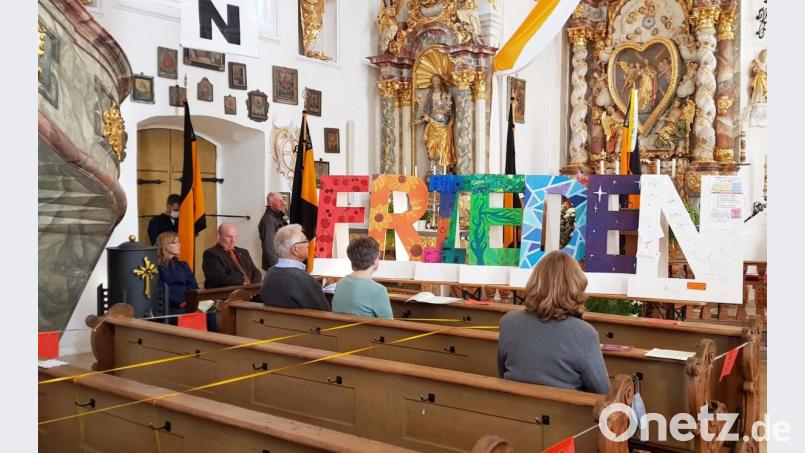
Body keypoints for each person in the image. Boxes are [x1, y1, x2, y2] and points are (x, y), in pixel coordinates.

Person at [497, 251, 610, 395]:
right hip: (565, 415)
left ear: (535, 282)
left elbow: (502, 373)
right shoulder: (584, 334)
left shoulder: (509, 322)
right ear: (575, 286)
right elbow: (602, 391)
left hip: (511, 412)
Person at [155, 232, 216, 331]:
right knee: (187, 314)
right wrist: (180, 303)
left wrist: (192, 301)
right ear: (165, 246)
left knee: (211, 312)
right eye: (175, 243)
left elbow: (193, 286)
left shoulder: (183, 265)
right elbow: (159, 290)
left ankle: (212, 342)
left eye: (179, 242)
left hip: (189, 302)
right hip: (170, 306)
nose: (179, 245)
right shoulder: (156, 267)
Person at [260, 224, 329, 311]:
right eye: (305, 241)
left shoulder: (269, 274)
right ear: (295, 249)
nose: (308, 245)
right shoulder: (304, 279)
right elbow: (324, 314)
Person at [332, 237, 392, 319]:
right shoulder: (379, 290)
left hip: (338, 331)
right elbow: (389, 325)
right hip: (367, 331)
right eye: (378, 257)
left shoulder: (340, 283)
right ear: (375, 260)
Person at [202, 223, 262, 289]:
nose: (233, 240)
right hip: (229, 293)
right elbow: (219, 278)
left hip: (252, 290)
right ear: (219, 236)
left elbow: (256, 272)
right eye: (229, 237)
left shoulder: (243, 252)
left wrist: (253, 287)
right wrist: (243, 284)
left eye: (235, 236)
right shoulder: (211, 254)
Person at [258, 192, 288, 270]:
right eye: (279, 201)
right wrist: (277, 268)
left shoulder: (277, 217)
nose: (283, 203)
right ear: (270, 203)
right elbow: (269, 246)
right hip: (276, 264)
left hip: (282, 262)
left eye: (282, 201)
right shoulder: (268, 220)